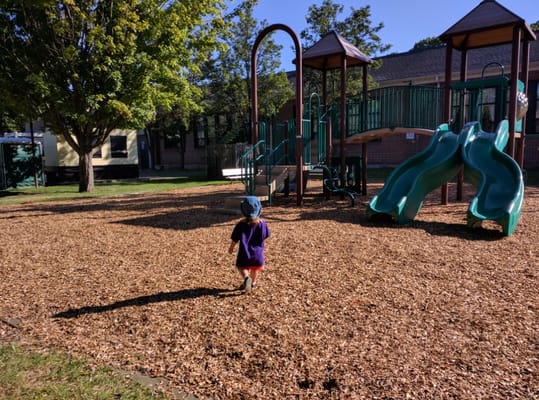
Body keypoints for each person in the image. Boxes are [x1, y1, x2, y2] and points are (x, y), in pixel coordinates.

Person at [228, 196, 270, 292]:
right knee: (254, 269)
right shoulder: (262, 224)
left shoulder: (240, 225)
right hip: (258, 254)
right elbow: (266, 235)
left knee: (241, 267)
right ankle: (253, 283)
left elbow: (235, 238)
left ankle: (246, 278)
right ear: (259, 209)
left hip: (244, 252)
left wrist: (231, 248)